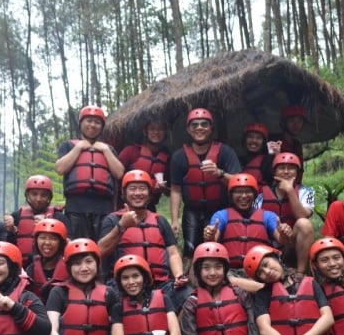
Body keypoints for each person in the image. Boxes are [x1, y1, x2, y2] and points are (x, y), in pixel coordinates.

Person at [98, 170, 191, 309]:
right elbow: (99, 251)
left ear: (149, 193)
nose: (137, 193)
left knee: (189, 296)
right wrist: (121, 226)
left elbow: (173, 252)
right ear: (124, 193)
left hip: (159, 283)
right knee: (108, 297)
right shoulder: (113, 220)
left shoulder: (160, 221)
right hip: (124, 283)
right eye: (132, 189)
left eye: (142, 188)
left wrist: (178, 275)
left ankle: (176, 330)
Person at [40, 238, 119, 335]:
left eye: (89, 262)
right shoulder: (58, 293)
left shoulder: (109, 294)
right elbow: (51, 332)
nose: (83, 268)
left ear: (97, 263)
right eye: (77, 263)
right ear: (69, 267)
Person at [169, 108, 241, 260]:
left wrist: (220, 173)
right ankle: (192, 281)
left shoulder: (225, 152)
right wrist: (175, 220)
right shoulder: (179, 156)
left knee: (216, 249)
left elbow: (239, 182)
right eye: (194, 125)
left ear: (211, 128)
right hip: (192, 210)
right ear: (188, 129)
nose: (199, 128)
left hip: (219, 209)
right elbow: (175, 190)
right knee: (190, 249)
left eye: (204, 124)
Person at [55, 105, 124, 240]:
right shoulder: (69, 145)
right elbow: (60, 169)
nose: (92, 125)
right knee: (79, 248)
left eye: (97, 122)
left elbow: (119, 173)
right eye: (89, 121)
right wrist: (79, 147)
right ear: (81, 123)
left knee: (102, 248)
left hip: (104, 208)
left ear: (102, 127)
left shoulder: (109, 149)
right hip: (76, 207)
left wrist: (105, 150)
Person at [203, 173, 288, 272]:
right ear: (231, 195)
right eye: (238, 192)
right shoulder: (221, 215)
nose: (243, 196)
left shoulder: (268, 216)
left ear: (255, 195)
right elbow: (213, 239)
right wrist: (210, 236)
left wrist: (284, 234)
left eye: (248, 192)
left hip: (260, 271)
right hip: (231, 270)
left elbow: (281, 238)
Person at [254, 153, 314, 275]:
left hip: (294, 242)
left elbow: (302, 216)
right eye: (281, 168)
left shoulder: (306, 191)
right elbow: (256, 222)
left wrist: (290, 190)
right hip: (271, 242)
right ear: (274, 172)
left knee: (304, 223)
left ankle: (300, 273)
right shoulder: (261, 195)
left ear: (297, 172)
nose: (286, 172)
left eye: (291, 168)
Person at [4, 174, 68, 267]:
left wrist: (47, 226)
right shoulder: (16, 216)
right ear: (27, 195)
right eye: (34, 194)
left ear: (49, 197)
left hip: (50, 267)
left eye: (43, 195)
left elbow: (67, 245)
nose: (38, 199)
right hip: (21, 267)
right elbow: (9, 247)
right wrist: (10, 230)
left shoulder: (59, 217)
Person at [117, 119, 171, 211]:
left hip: (150, 207)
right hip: (125, 205)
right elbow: (115, 175)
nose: (156, 132)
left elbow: (169, 192)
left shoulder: (167, 157)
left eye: (160, 129)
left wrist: (163, 188)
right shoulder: (131, 151)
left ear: (165, 132)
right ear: (145, 132)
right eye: (152, 129)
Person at [25, 218, 69, 304]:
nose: (47, 242)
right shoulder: (31, 269)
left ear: (61, 243)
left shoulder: (70, 268)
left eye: (53, 238)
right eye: (42, 237)